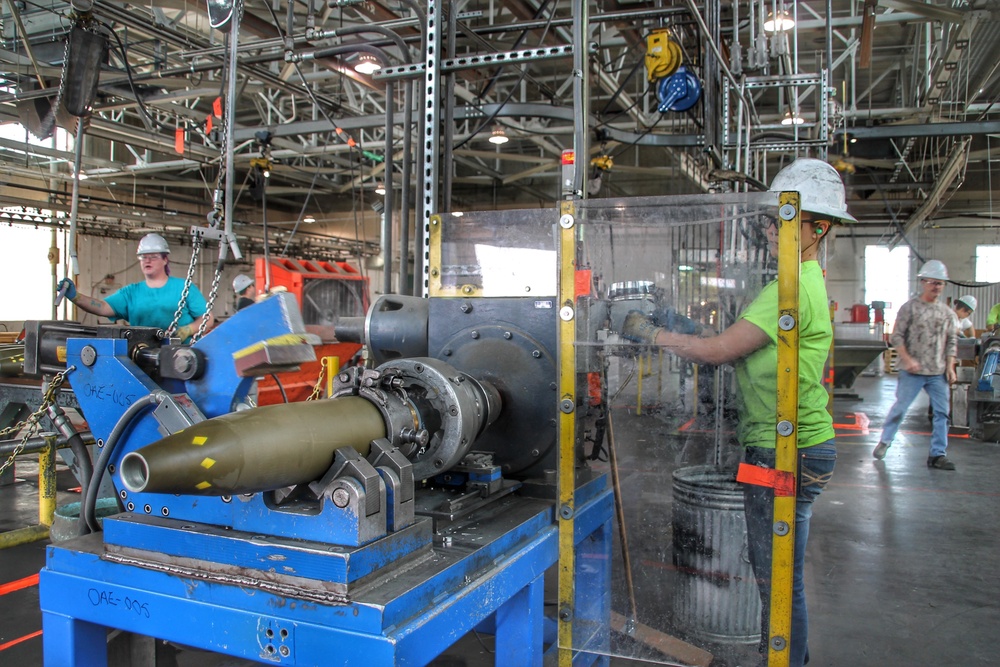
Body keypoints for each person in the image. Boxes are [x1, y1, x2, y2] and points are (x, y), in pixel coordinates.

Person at [623, 157, 852, 667]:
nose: (771, 230)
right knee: (776, 568)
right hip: (786, 448)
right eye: (771, 220)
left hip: (784, 452)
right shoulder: (799, 285)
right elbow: (732, 343)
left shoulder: (790, 290)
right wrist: (681, 325)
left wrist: (649, 333)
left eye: (784, 221)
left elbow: (719, 352)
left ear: (819, 229)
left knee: (777, 576)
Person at [872, 260, 958, 469]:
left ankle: (937, 454)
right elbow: (897, 337)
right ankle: (885, 441)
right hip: (912, 372)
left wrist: (950, 367)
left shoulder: (947, 314)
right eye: (932, 282)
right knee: (900, 408)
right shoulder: (909, 308)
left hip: (937, 372)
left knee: (942, 413)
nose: (936, 286)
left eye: (940, 283)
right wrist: (907, 359)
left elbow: (951, 341)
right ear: (923, 282)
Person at [55, 233, 211, 342]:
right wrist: (76, 297)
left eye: (153, 257)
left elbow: (207, 319)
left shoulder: (183, 287)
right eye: (144, 257)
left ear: (165, 260)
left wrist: (188, 330)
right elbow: (102, 307)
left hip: (180, 356)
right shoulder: (131, 292)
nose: (147, 260)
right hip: (141, 353)